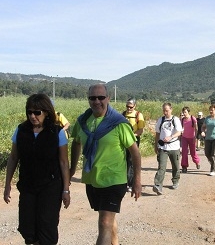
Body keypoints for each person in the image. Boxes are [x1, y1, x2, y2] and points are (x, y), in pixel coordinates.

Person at [70, 84, 141, 245]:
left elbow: (135, 153)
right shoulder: (83, 122)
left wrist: (136, 180)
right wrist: (72, 169)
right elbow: (76, 143)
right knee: (108, 218)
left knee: (104, 223)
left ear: (108, 98)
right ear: (88, 99)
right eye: (92, 98)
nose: (97, 101)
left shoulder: (119, 123)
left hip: (114, 180)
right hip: (93, 180)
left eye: (101, 97)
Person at [3, 93, 70, 245]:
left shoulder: (57, 132)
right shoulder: (21, 131)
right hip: (28, 186)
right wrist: (7, 184)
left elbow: (64, 162)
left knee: (47, 227)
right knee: (28, 229)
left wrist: (66, 189)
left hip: (50, 187)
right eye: (29, 112)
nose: (33, 116)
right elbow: (13, 158)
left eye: (37, 112)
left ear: (46, 112)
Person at [153, 102, 182, 194]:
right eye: (164, 111)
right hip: (163, 147)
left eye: (167, 110)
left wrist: (171, 137)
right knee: (161, 167)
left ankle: (175, 181)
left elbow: (179, 132)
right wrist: (156, 145)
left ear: (171, 109)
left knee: (175, 166)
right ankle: (158, 185)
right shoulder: (160, 120)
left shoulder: (176, 120)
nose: (165, 113)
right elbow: (157, 133)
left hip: (174, 147)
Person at [122, 98, 145, 192]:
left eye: (130, 107)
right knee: (123, 160)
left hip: (134, 140)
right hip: (123, 140)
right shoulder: (123, 114)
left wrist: (131, 136)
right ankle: (124, 182)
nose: (128, 108)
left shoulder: (138, 115)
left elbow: (140, 130)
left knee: (131, 161)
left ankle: (131, 183)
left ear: (134, 106)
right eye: (127, 106)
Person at [180, 106, 200, 173]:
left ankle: (197, 162)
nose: (184, 113)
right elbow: (180, 128)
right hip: (184, 138)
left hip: (192, 138)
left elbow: (196, 128)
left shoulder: (192, 118)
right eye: (183, 112)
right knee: (184, 153)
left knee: (193, 152)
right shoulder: (182, 120)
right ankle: (184, 166)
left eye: (185, 112)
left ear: (188, 112)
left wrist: (195, 137)